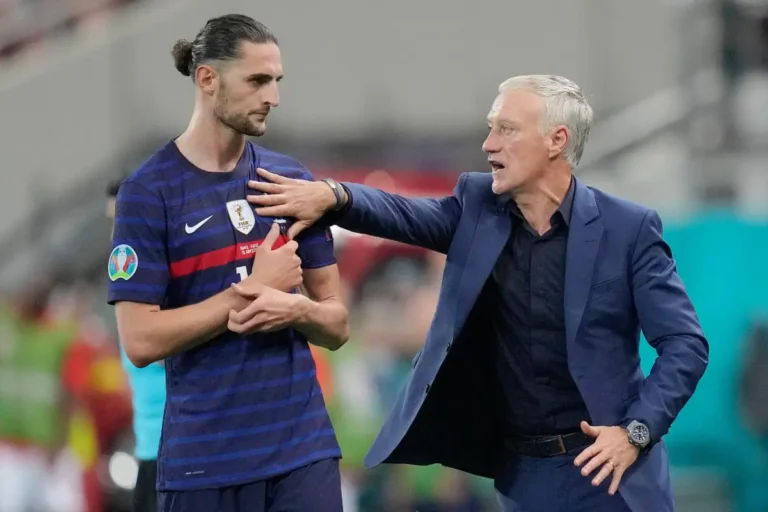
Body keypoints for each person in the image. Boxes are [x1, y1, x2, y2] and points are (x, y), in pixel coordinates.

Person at [242, 75, 710, 512]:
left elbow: (685, 345)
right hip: (523, 476)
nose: (489, 145)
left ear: (557, 141)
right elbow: (401, 213)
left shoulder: (628, 229)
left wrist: (635, 433)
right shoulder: (477, 208)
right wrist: (335, 196)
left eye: (506, 130)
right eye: (490, 129)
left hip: (613, 473)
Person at [107, 14, 349, 512]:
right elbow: (140, 340)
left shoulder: (290, 180)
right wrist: (251, 290)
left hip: (302, 453)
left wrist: (296, 310)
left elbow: (337, 323)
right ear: (208, 79)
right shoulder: (149, 192)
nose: (273, 97)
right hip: (203, 464)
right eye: (258, 80)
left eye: (277, 81)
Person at [107, 178, 166, 512]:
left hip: (178, 457)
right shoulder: (133, 290)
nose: (114, 239)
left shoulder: (167, 284)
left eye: (120, 223)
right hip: (149, 454)